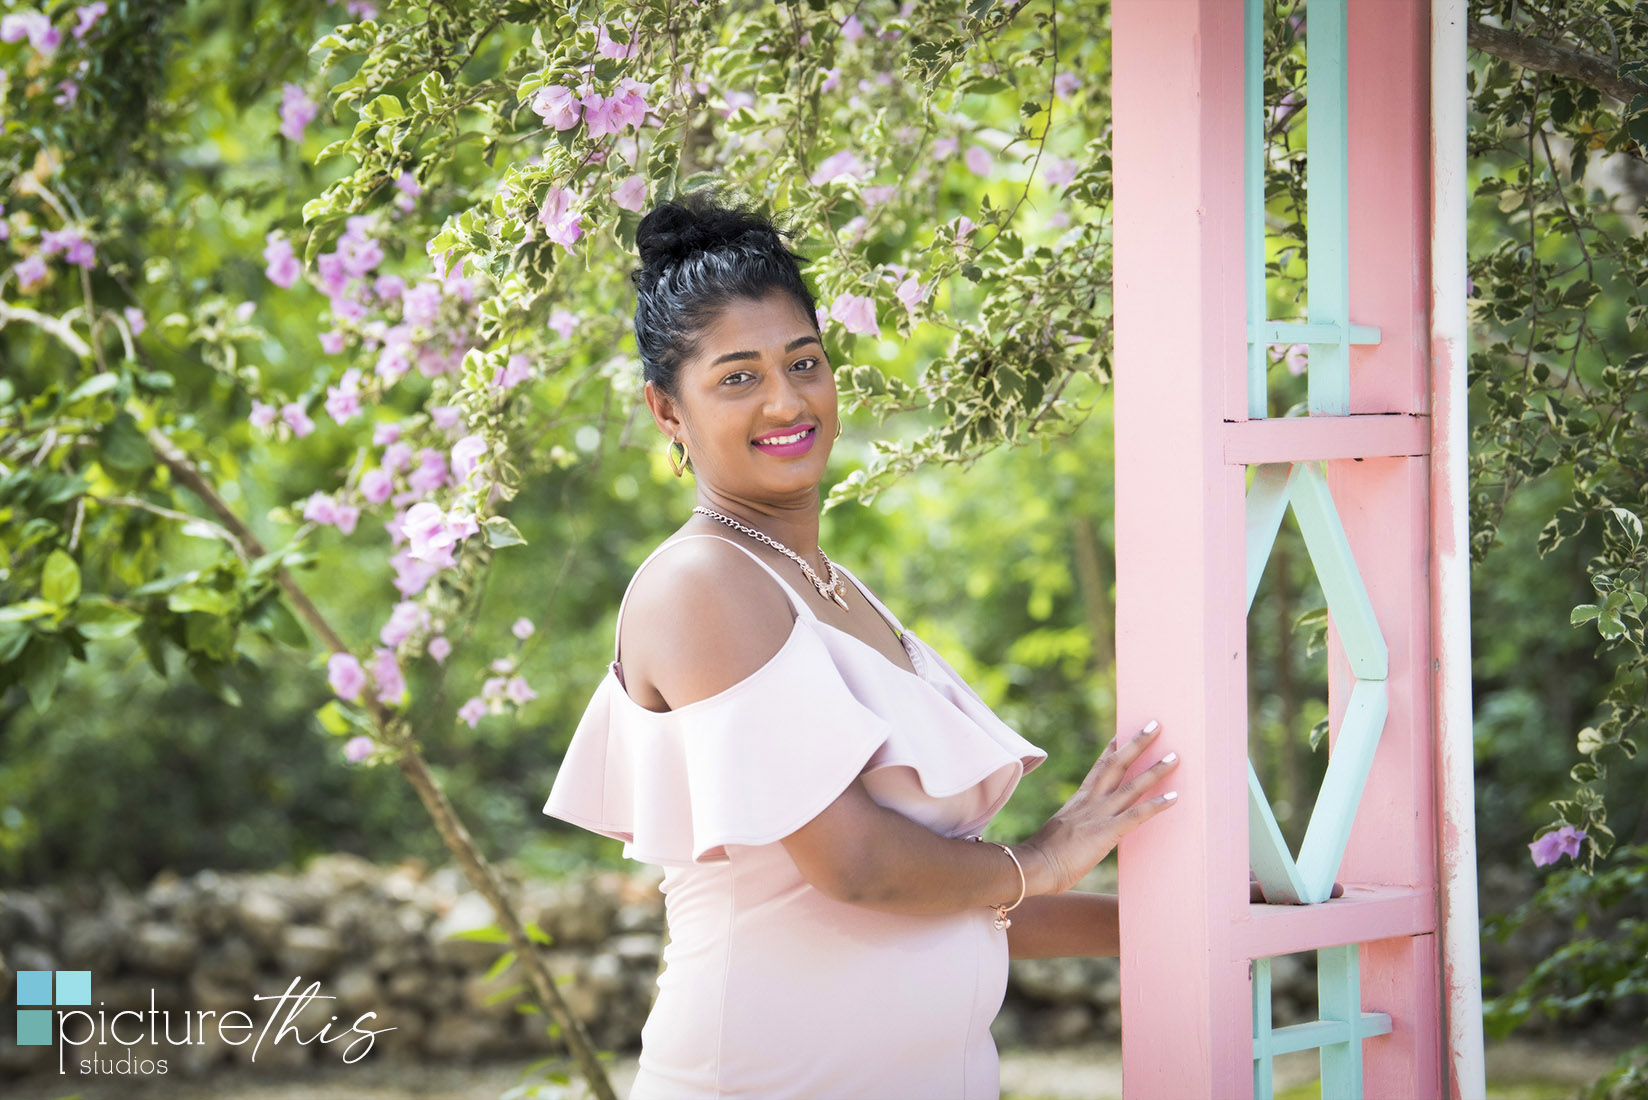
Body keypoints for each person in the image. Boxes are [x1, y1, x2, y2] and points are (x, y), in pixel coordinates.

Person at [542, 187, 1180, 1100]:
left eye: (805, 361)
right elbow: (858, 867)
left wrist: (1179, 921)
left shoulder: (832, 587)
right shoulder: (701, 587)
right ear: (666, 412)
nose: (787, 399)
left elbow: (960, 901)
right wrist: (1044, 853)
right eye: (737, 377)